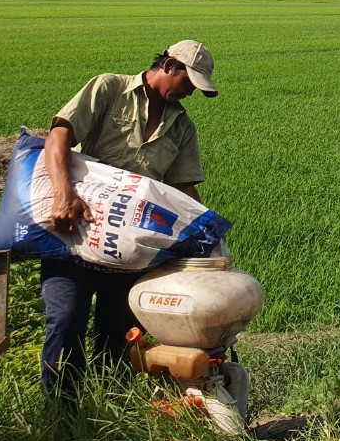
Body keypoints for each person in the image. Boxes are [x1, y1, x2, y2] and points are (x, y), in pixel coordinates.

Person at [39, 39, 219, 396]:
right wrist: (63, 195)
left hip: (127, 247)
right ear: (169, 66)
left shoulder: (182, 127)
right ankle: (61, 417)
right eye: (188, 84)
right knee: (66, 320)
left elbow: (182, 190)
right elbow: (59, 136)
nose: (190, 94)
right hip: (74, 232)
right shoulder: (109, 88)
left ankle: (112, 411)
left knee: (119, 333)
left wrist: (211, 239)